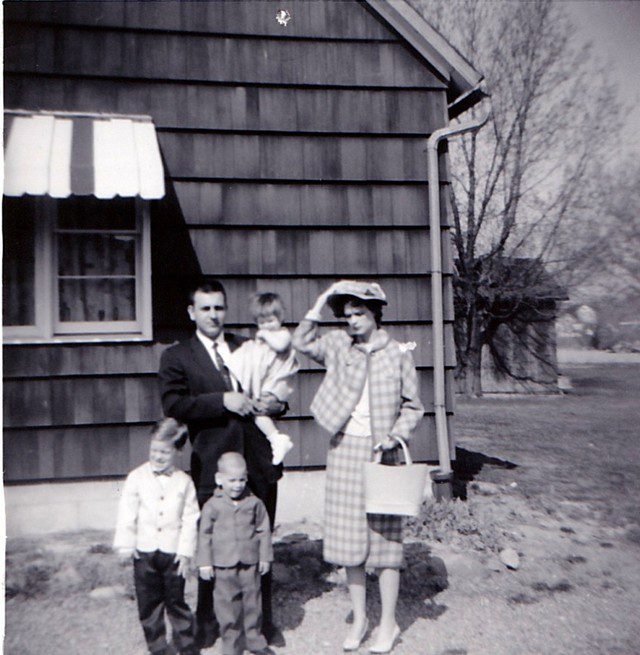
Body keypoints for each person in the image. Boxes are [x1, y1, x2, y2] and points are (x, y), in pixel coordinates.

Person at [292, 280, 424, 654]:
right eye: (346, 315)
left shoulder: (398, 352)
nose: (351, 321)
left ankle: (388, 624)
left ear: (375, 313)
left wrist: (395, 438)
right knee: (350, 542)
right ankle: (360, 617)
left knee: (384, 544)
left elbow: (414, 405)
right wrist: (319, 304)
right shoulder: (337, 346)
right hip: (345, 451)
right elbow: (301, 343)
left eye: (359, 314)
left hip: (384, 454)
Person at [158, 279, 285, 649]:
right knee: (214, 546)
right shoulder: (178, 356)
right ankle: (208, 621)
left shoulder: (248, 346)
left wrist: (276, 403)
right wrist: (222, 401)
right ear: (191, 312)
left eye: (219, 307)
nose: (214, 315)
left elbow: (276, 384)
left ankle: (261, 623)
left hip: (258, 461)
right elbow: (175, 404)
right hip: (213, 462)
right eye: (206, 308)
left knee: (259, 541)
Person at [113, 418, 200, 655]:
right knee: (149, 604)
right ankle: (159, 647)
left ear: (178, 451)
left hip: (172, 554)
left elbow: (191, 518)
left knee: (176, 602)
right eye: (154, 450)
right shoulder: (136, 477)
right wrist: (126, 544)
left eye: (165, 452)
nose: (158, 456)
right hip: (144, 552)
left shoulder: (184, 482)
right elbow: (127, 512)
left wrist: (185, 552)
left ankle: (187, 646)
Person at [197, 452, 274, 655]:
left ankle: (254, 640)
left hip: (250, 562)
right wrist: (204, 563)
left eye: (241, 479)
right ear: (219, 479)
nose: (237, 485)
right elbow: (204, 535)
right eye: (231, 480)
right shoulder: (212, 506)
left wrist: (265, 556)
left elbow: (263, 529)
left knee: (252, 602)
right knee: (226, 606)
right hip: (223, 566)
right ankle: (231, 644)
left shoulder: (254, 503)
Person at [227, 292, 298, 465]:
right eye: (262, 323)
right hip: (266, 382)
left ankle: (276, 439)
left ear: (280, 318)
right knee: (258, 413)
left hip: (276, 382)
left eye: (271, 321)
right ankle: (276, 438)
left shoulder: (283, 335)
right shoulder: (260, 342)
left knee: (260, 410)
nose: (266, 327)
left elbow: (280, 345)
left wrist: (264, 336)